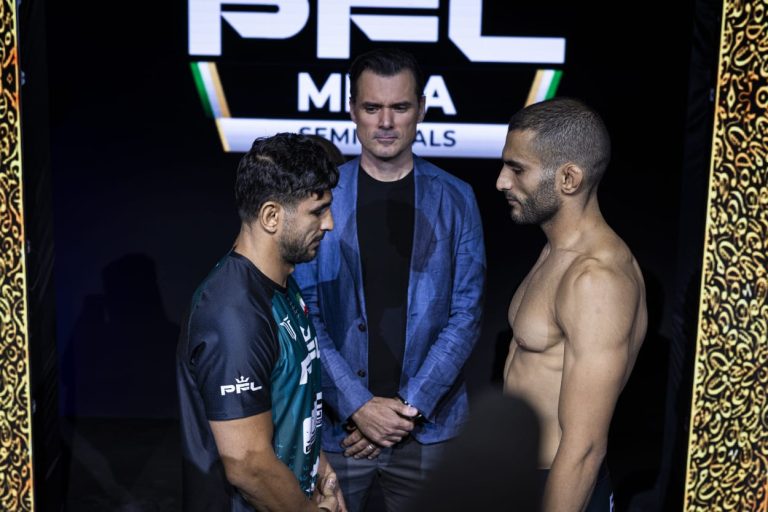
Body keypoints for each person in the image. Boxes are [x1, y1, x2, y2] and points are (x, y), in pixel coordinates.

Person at [294, 48, 485, 512]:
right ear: (352, 110)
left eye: (399, 107)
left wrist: (404, 410)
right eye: (372, 107)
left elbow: (466, 315)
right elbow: (306, 315)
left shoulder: (457, 198)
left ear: (421, 108)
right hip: (341, 431)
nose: (385, 122)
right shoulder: (321, 197)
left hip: (427, 429)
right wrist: (359, 406)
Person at [176, 133, 346, 512]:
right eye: (317, 211)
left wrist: (323, 475)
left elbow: (297, 405)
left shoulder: (282, 286)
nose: (330, 224)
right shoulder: (233, 313)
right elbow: (248, 464)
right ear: (271, 216)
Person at [497, 97, 647, 512]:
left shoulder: (597, 279)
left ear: (568, 178)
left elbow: (584, 448)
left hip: (558, 487)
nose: (501, 182)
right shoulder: (555, 251)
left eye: (517, 169)